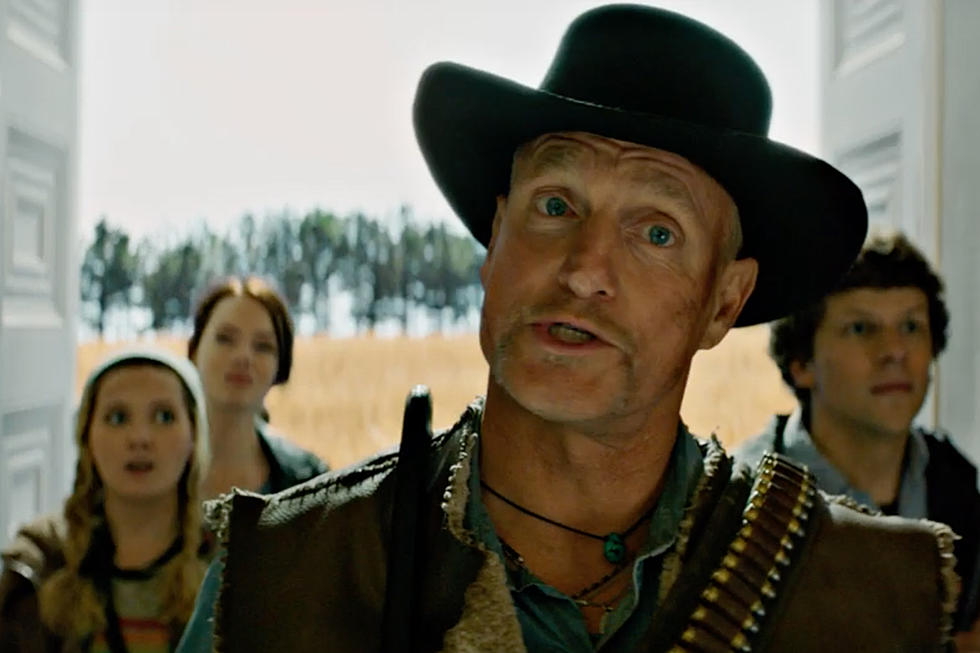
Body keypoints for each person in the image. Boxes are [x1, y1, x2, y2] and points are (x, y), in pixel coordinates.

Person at [179, 6, 958, 652]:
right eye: (555, 205)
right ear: (496, 240)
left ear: (724, 302)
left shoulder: (869, 592)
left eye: (656, 232)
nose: (586, 268)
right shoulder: (290, 570)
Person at [735, 232, 980, 643]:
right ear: (802, 364)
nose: (895, 351)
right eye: (861, 328)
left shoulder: (960, 485)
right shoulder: (744, 498)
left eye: (911, 326)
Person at [0, 349, 211, 652]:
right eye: (117, 417)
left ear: (194, 436)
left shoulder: (228, 562)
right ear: (87, 436)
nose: (140, 438)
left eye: (164, 416)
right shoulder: (38, 563)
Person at [188, 275, 328, 499]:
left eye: (263, 346)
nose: (243, 357)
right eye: (225, 338)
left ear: (280, 365)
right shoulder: (148, 464)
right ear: (194, 351)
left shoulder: (308, 482)